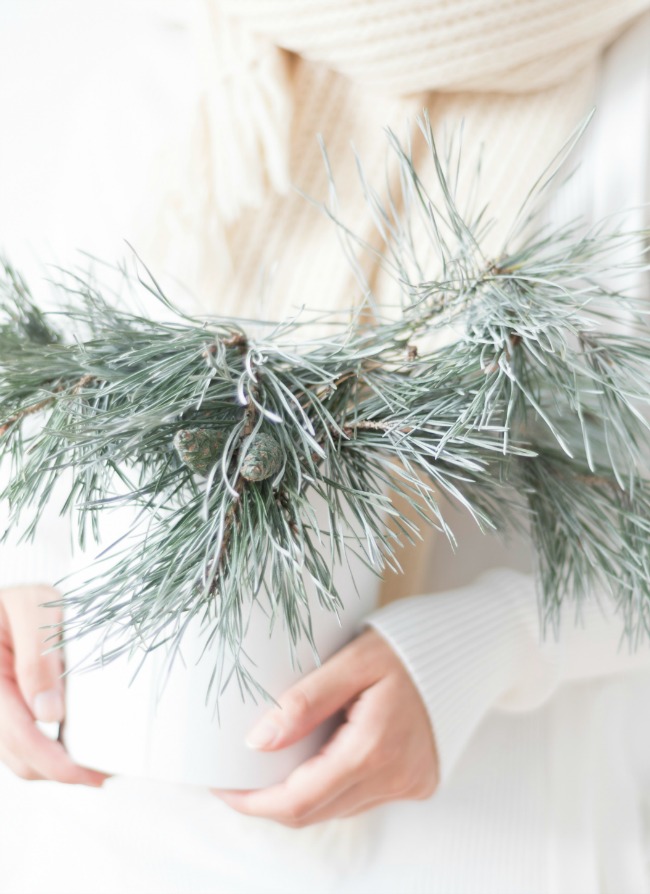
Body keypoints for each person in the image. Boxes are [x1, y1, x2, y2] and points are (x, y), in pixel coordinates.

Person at [1, 2, 650, 892]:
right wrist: (20, 568)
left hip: (496, 841)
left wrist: (493, 643)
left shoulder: (630, 92)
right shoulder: (178, 73)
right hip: (121, 839)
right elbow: (39, 399)